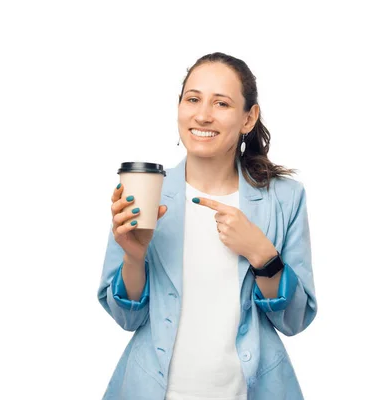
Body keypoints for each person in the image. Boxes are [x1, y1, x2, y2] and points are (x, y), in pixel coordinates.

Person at [98, 52, 317, 400]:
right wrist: (133, 257)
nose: (202, 114)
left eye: (221, 103)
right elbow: (126, 318)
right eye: (193, 99)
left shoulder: (285, 198)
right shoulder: (145, 188)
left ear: (249, 118)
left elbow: (295, 320)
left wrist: (263, 256)